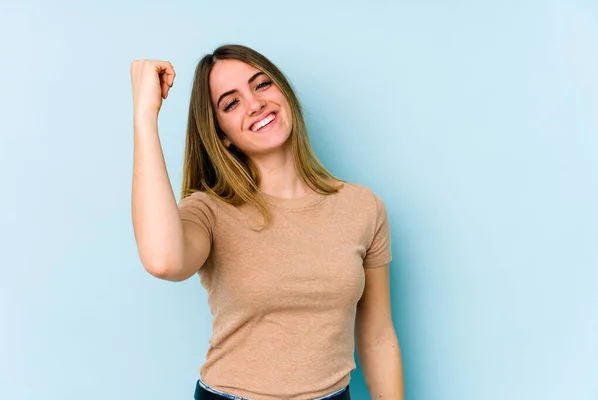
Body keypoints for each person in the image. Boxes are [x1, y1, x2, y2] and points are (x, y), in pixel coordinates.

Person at [130, 44, 404, 400]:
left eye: (261, 85)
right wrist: (144, 118)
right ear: (222, 135)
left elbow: (378, 336)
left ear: (284, 94)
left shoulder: (362, 207)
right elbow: (163, 261)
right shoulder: (209, 211)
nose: (255, 103)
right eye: (231, 103)